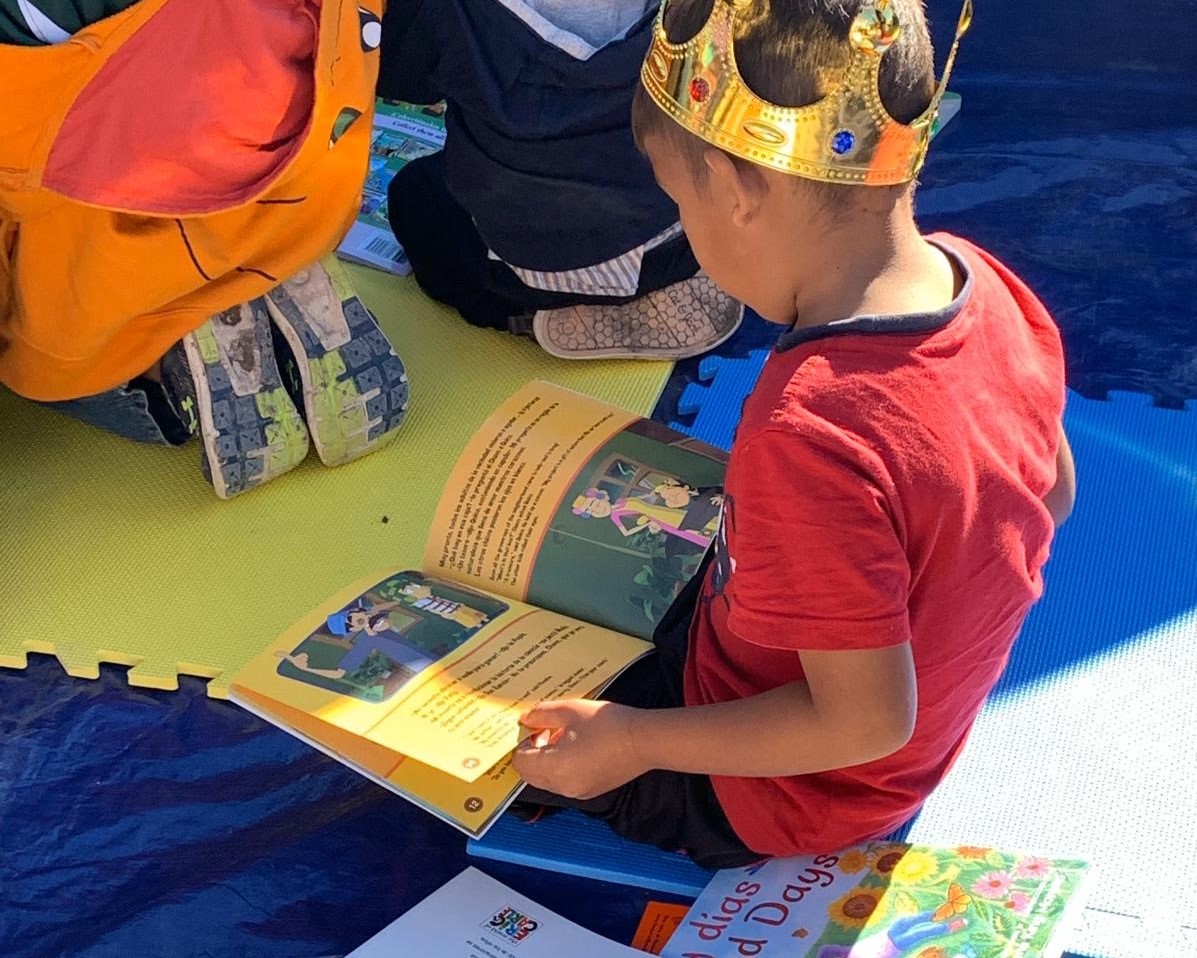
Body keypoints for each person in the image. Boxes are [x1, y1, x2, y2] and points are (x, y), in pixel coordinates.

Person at [512, 0, 1076, 870]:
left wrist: (632, 743)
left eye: (680, 207)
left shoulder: (806, 428)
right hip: (899, 743)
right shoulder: (983, 282)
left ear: (739, 190)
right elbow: (1052, 491)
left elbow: (861, 721)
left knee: (508, 729)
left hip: (786, 799)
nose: (691, 245)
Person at [0, 0, 409, 498]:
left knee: (46, 370)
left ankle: (170, 374)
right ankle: (274, 268)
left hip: (126, 244)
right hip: (306, 181)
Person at [376, 0, 743, 360]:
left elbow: (392, 72)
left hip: (532, 272)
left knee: (416, 198)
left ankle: (523, 319)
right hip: (685, 239)